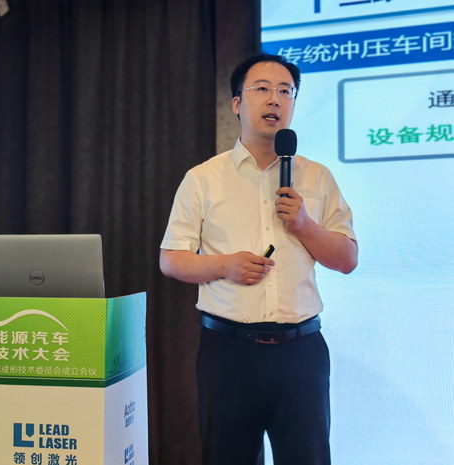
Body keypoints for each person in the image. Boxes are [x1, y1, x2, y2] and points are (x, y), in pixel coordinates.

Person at [159, 53, 358, 465]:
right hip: (228, 353)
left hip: (300, 352)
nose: (275, 100)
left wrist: (304, 225)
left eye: (286, 91)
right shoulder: (204, 178)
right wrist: (224, 265)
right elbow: (171, 259)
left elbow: (346, 259)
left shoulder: (317, 177)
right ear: (237, 103)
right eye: (262, 89)